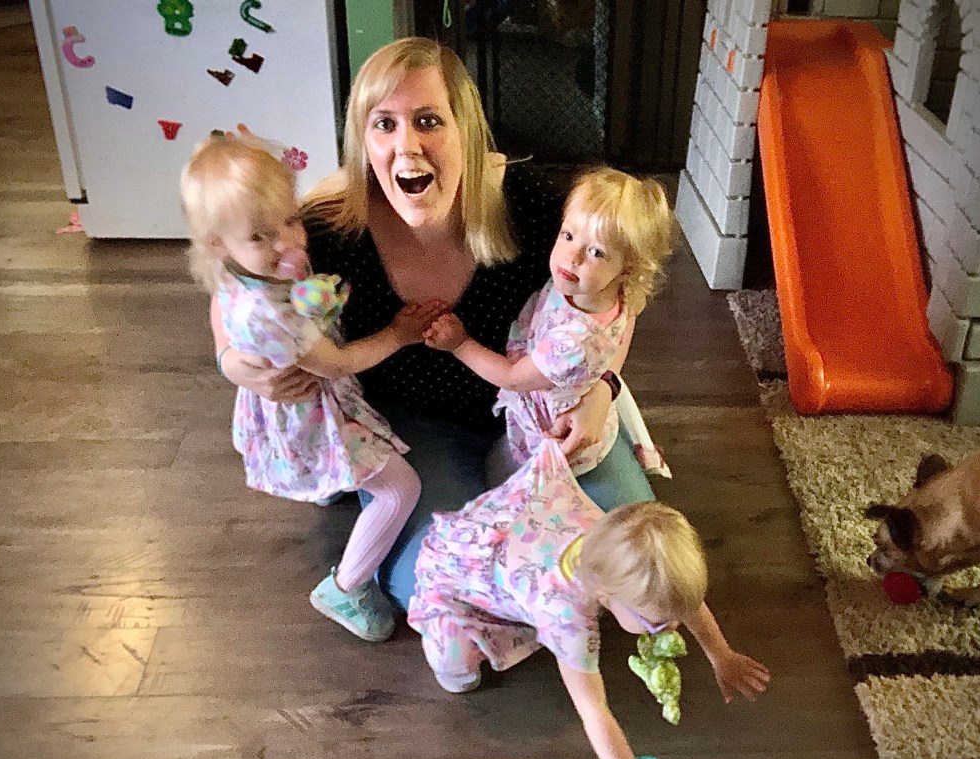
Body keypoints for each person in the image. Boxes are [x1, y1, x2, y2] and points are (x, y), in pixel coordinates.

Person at [211, 37, 656, 616]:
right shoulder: (327, 225)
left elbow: (624, 295)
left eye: (428, 121)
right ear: (363, 140)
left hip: (543, 411)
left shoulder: (533, 205)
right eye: (384, 124)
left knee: (639, 566)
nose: (407, 146)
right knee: (437, 590)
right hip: (419, 427)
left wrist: (604, 389)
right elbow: (232, 288)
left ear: (465, 129)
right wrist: (236, 365)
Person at [408, 438, 771, 759]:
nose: (672, 628)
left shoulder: (612, 545)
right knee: (457, 668)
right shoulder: (567, 618)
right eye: (655, 623)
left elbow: (684, 602)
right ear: (604, 596)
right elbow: (594, 710)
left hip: (526, 525)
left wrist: (721, 654)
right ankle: (459, 642)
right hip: (454, 572)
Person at [182, 133, 440, 642]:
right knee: (400, 489)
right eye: (260, 237)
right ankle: (346, 589)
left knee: (348, 477)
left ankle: (330, 487)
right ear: (218, 244)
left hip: (300, 401)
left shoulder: (240, 272)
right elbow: (338, 364)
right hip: (315, 415)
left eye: (290, 220)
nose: (288, 243)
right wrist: (399, 333)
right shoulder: (267, 313)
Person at [423, 166, 674, 478]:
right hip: (553, 387)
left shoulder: (575, 340)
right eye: (568, 235)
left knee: (503, 475)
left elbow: (513, 378)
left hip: (550, 433)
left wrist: (459, 344)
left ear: (627, 269)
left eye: (596, 252)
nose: (572, 256)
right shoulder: (597, 289)